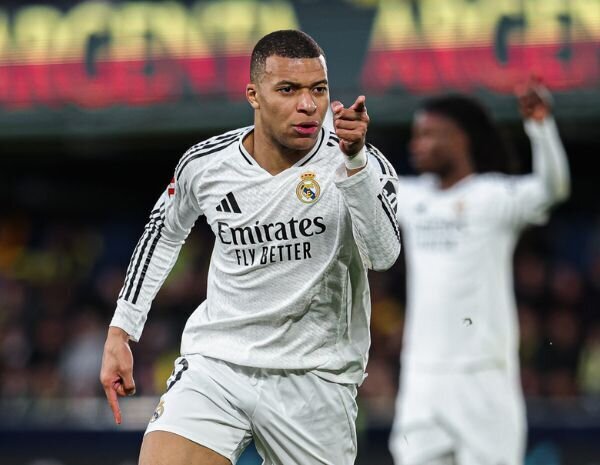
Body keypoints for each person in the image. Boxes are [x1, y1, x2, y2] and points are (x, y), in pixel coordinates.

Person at [100, 29, 400, 465]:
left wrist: (355, 164)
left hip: (316, 378)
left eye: (318, 90)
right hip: (218, 365)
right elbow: (163, 233)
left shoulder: (362, 163)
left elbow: (383, 255)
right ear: (254, 95)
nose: (307, 105)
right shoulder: (206, 164)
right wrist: (121, 331)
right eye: (288, 89)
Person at [388, 80, 570, 465]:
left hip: (484, 375)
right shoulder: (411, 197)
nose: (416, 144)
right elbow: (356, 187)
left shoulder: (493, 196)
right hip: (422, 377)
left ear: (459, 139)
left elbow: (552, 189)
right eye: (416, 135)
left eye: (428, 135)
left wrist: (541, 128)